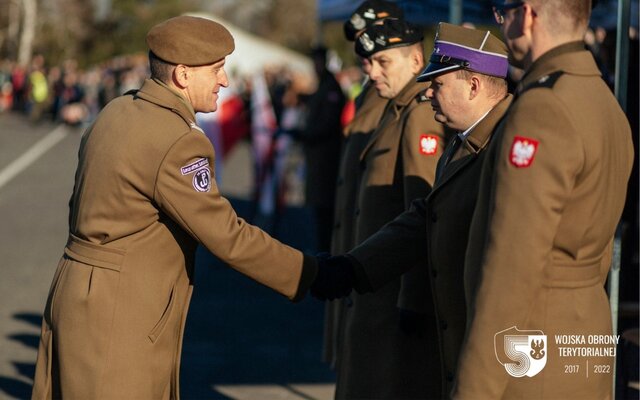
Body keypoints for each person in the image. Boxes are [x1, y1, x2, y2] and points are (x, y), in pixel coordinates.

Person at [31, 16, 318, 399]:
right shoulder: (177, 140)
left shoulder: (116, 111)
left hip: (77, 295)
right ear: (183, 75)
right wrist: (312, 272)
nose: (225, 82)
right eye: (217, 71)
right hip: (120, 315)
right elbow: (228, 236)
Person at [314, 22, 513, 399]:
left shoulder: (504, 144)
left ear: (473, 85)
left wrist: (414, 300)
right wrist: (355, 266)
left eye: (437, 84)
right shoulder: (463, 142)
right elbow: (425, 215)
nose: (428, 94)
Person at [452, 1, 634, 398]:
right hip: (586, 338)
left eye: (504, 10)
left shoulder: (543, 107)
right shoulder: (601, 99)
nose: (501, 20)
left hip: (533, 357)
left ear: (528, 14)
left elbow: (510, 272)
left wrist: (473, 389)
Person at [333, 18, 448, 400]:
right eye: (370, 62)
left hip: (391, 299)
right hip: (373, 292)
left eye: (384, 62)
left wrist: (413, 301)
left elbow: (423, 211)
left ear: (417, 61)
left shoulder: (418, 115)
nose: (372, 71)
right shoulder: (392, 108)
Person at [322, 0, 402, 370]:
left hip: (379, 259)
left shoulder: (404, 100)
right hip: (359, 247)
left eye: (374, 42)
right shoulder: (374, 91)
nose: (367, 58)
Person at [296, 46, 346, 253]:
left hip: (326, 160)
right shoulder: (324, 85)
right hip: (318, 157)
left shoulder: (331, 87)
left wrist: (303, 134)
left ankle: (325, 256)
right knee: (319, 214)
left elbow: (327, 123)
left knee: (325, 213)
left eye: (317, 62)